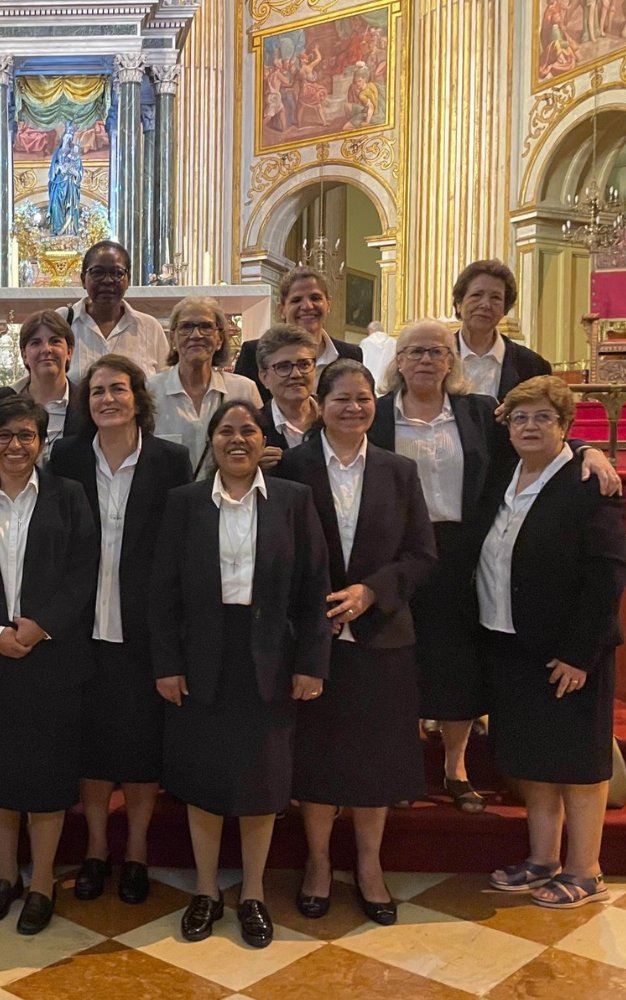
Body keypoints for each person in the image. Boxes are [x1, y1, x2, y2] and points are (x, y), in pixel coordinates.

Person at [370, 320, 621, 813]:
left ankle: (455, 769)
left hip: (463, 550)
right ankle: (402, 767)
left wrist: (587, 449)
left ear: (451, 361)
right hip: (394, 551)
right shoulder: (375, 415)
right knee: (398, 663)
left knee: (460, 661)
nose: (425, 360)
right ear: (398, 361)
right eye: (414, 351)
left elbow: (538, 437)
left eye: (437, 351)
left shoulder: (478, 411)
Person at [151, 399, 331, 948]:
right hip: (202, 656)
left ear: (262, 441)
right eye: (226, 430)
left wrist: (310, 665)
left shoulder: (294, 502)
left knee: (262, 781)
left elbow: (313, 590)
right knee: (203, 781)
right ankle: (205, 891)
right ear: (211, 440)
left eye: (247, 430)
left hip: (271, 658)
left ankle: (252, 893)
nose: (237, 439)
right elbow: (163, 593)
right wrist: (167, 665)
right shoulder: (184, 503)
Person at [277, 360, 437, 926]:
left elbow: (422, 555)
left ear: (376, 403)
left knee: (376, 763)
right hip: (310, 639)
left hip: (381, 636)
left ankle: (370, 866)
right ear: (319, 404)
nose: (353, 407)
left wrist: (371, 592)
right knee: (316, 760)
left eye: (363, 398)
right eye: (340, 398)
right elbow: (279, 556)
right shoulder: (291, 468)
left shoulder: (399, 471)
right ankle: (319, 863)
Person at [0, 395, 100, 934]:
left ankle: (41, 882)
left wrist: (39, 625)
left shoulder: (68, 495)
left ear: (41, 442)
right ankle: (7, 875)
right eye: (5, 436)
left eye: (26, 436)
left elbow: (85, 570)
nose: (16, 446)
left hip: (51, 656)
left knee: (47, 775)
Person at [478, 376, 626, 909]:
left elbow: (607, 573)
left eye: (544, 417)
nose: (531, 426)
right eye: (520, 417)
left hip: (567, 649)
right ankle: (542, 858)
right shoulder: (506, 474)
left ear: (565, 425)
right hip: (510, 640)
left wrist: (580, 652)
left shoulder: (587, 483)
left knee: (578, 761)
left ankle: (585, 869)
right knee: (534, 759)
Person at [50, 355, 193, 906]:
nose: (108, 399)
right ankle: (94, 851)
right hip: (80, 626)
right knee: (89, 750)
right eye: (97, 392)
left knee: (138, 750)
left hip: (143, 628)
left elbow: (179, 550)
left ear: (138, 396)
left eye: (118, 389)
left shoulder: (170, 460)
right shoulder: (65, 456)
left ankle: (135, 853)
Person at [147, 296, 264, 472]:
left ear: (220, 339)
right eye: (186, 327)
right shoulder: (150, 390)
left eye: (206, 327)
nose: (196, 335)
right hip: (168, 497)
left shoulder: (244, 389)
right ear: (173, 339)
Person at [0, 310, 89, 468]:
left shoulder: (86, 403)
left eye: (55, 341)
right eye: (35, 343)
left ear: (69, 352)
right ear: (24, 355)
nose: (46, 349)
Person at [233, 267, 361, 398]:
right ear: (282, 309)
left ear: (328, 305)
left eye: (315, 298)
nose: (307, 306)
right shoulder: (253, 353)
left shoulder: (351, 354)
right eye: (296, 300)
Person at [65, 241, 171, 377]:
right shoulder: (64, 323)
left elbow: (165, 387)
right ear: (83, 279)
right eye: (97, 273)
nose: (107, 280)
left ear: (128, 280)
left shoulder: (149, 327)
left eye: (117, 273)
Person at [452, 260, 551, 401]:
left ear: (505, 309)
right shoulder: (437, 357)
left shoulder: (532, 366)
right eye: (476, 295)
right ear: (458, 304)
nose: (485, 304)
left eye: (496, 298)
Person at [253, 324, 323, 466]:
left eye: (304, 364)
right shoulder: (253, 428)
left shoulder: (333, 419)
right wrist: (251, 468)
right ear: (264, 377)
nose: (296, 374)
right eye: (283, 367)